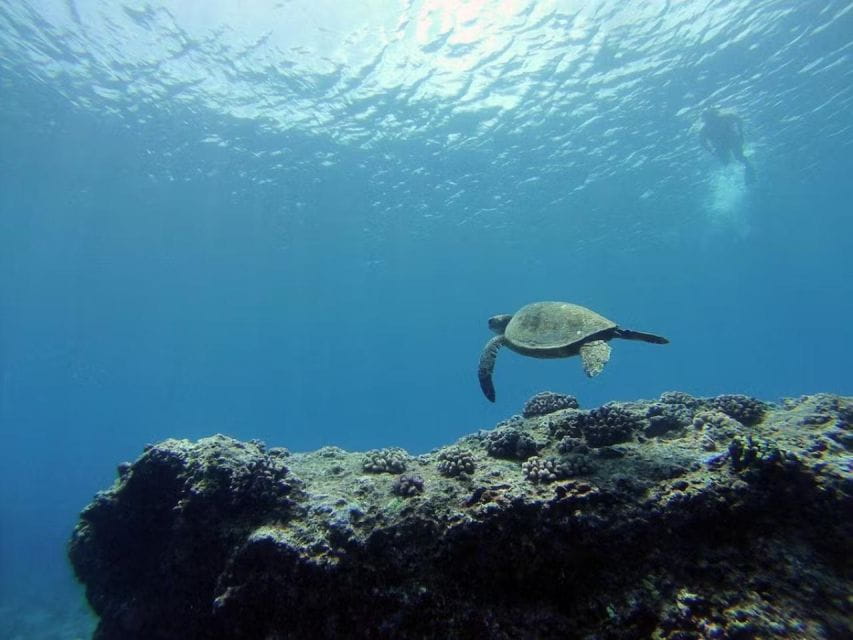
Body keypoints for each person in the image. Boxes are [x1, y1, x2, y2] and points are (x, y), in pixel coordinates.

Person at [699, 107, 756, 185]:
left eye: (711, 117)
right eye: (708, 119)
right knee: (729, 161)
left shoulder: (724, 117)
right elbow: (703, 142)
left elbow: (738, 120)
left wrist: (741, 133)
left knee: (737, 158)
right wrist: (711, 151)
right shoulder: (705, 129)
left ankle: (747, 170)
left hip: (729, 141)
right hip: (725, 143)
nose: (711, 121)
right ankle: (738, 176)